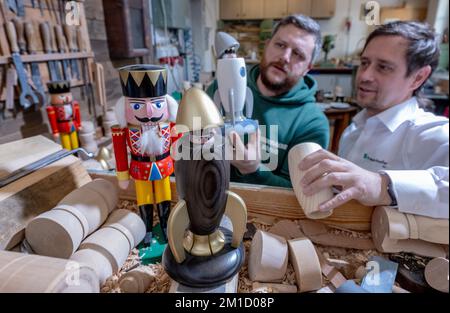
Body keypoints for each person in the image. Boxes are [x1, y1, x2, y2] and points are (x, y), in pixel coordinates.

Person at [299, 21, 449, 219]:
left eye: (384, 67)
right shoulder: (354, 130)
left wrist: (381, 185)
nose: (365, 76)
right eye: (364, 63)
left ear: (418, 77)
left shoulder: (429, 133)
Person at [207, 15, 330, 188]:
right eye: (280, 45)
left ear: (308, 68)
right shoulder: (220, 88)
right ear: (266, 46)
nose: (285, 57)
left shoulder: (312, 123)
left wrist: (254, 170)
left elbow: (297, 192)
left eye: (298, 54)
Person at [46, 80, 81, 150]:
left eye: (68, 95)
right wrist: (55, 131)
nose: (66, 98)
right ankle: (69, 155)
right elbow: (52, 120)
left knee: (75, 143)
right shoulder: (52, 109)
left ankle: (76, 154)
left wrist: (79, 124)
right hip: (62, 127)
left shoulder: (74, 104)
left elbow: (77, 115)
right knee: (66, 144)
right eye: (62, 96)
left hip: (73, 125)